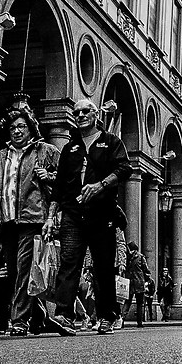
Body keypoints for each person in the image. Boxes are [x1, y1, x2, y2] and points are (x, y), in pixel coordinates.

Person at [0, 101, 63, 336]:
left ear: (30, 128)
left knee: (24, 270)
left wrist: (49, 175)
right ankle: (39, 316)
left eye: (22, 126)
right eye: (13, 128)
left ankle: (18, 321)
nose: (17, 131)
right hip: (6, 221)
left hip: (32, 219)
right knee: (15, 273)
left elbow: (68, 179)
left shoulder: (45, 150)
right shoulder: (1, 155)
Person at [50, 95, 127, 334]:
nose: (81, 115)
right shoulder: (69, 148)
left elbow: (124, 168)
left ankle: (107, 315)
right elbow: (60, 184)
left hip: (102, 213)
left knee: (103, 266)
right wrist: (51, 215)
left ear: (96, 116)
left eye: (85, 112)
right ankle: (64, 315)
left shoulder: (110, 142)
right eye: (77, 113)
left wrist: (100, 186)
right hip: (73, 214)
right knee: (69, 262)